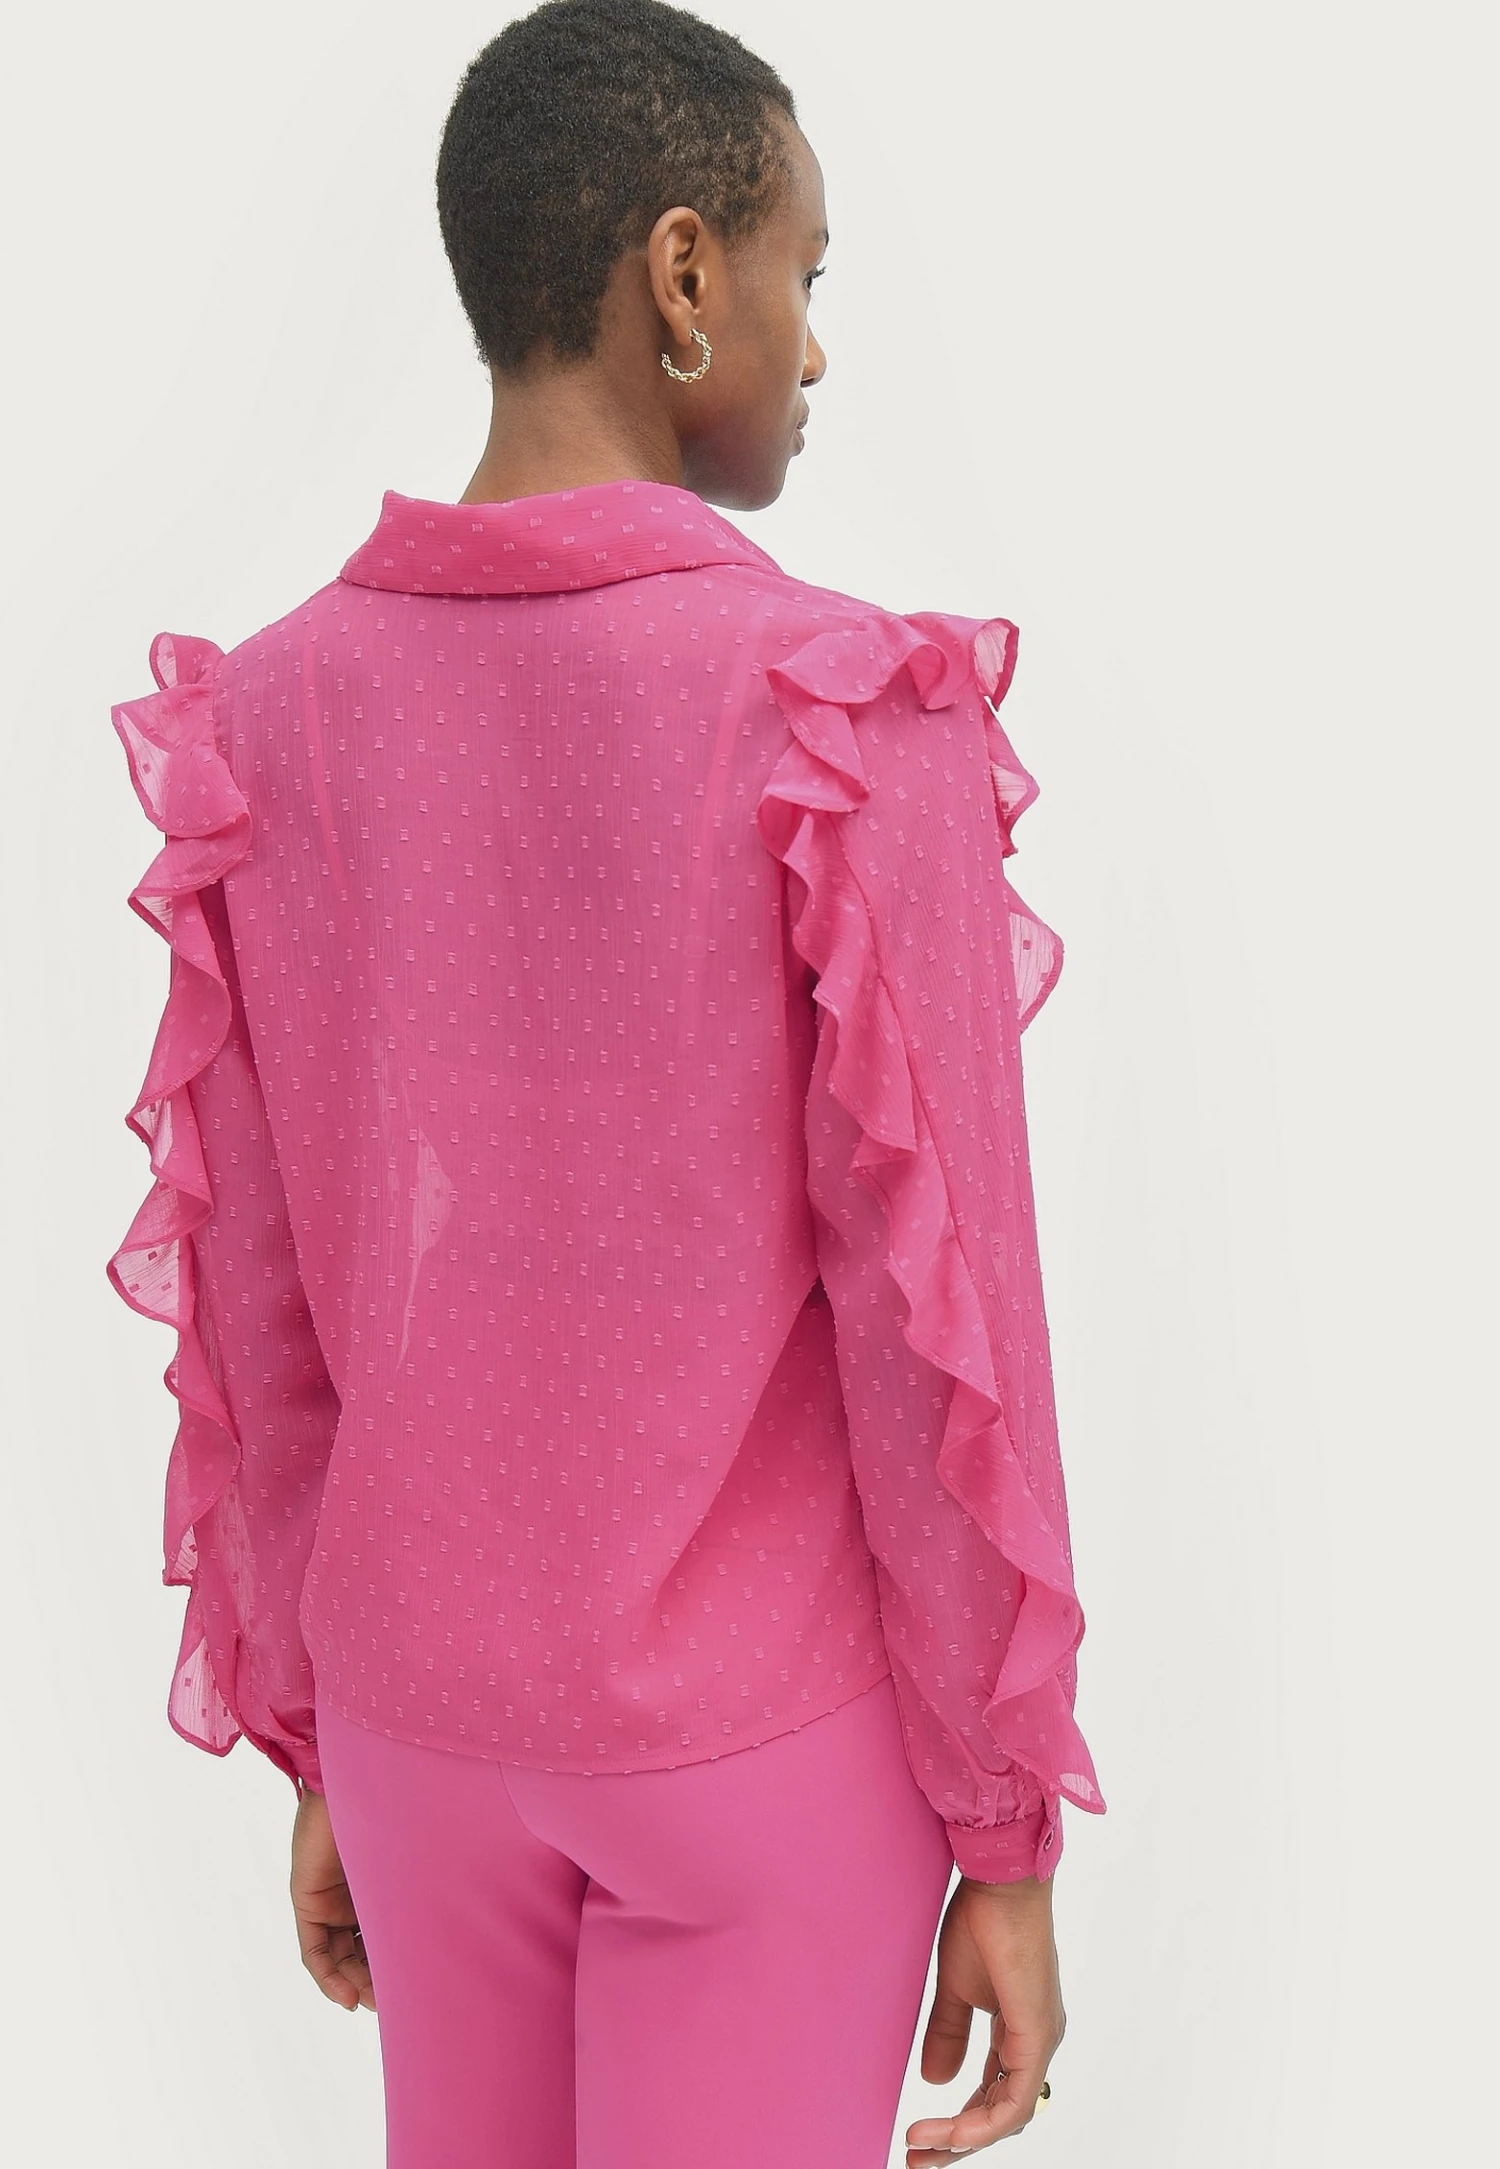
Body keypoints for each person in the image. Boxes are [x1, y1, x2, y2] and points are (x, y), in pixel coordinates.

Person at [104, 4, 1104, 2163]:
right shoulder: (842, 707)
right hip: (756, 1737)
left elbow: (262, 1303)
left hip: (420, 1726)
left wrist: (321, 1737)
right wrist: (1006, 1824)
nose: (818, 345)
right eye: (804, 273)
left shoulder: (266, 722)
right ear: (681, 272)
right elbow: (948, 1326)